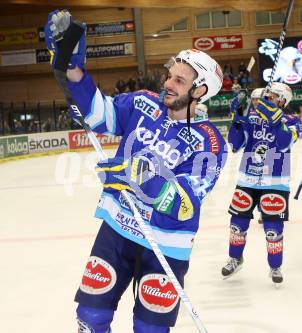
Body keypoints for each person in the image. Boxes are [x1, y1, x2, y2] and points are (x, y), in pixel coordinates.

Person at [45, 10, 227, 333]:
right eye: (170, 75)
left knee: (149, 330)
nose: (168, 83)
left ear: (199, 92)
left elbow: (184, 203)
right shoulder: (144, 103)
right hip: (118, 227)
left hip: (166, 244)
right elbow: (99, 113)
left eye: (179, 81)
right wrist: (72, 69)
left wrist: (138, 176)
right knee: (90, 317)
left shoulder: (211, 142)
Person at [221, 82, 302, 285]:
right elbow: (235, 144)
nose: (267, 100)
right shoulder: (253, 118)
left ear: (283, 100)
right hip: (248, 178)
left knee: (273, 229)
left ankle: (275, 266)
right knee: (237, 225)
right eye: (267, 96)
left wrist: (273, 119)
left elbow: (284, 143)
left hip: (276, 181)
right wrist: (238, 117)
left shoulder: (292, 121)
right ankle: (235, 258)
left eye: (272, 97)